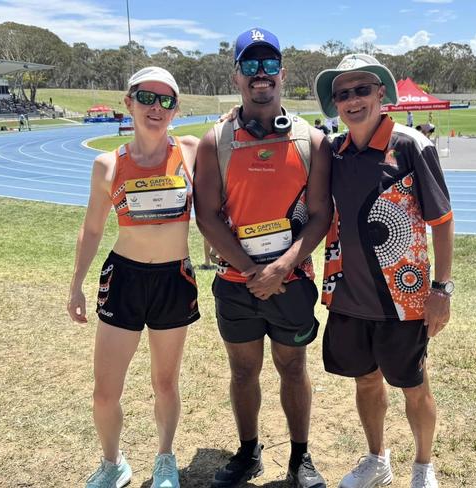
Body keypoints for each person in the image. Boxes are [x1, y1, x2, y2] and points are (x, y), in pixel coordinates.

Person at [195, 27, 331, 488]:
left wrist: (282, 267)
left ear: (282, 73)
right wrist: (252, 270)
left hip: (290, 282)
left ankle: (300, 458)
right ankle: (248, 451)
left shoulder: (311, 141)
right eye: (250, 65)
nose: (260, 74)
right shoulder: (215, 142)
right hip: (237, 285)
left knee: (293, 366)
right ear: (237, 76)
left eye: (268, 64)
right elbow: (208, 216)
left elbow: (320, 215)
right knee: (242, 370)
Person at [314, 53, 454, 488]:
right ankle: (377, 459)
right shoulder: (333, 151)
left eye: (361, 90)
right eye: (343, 94)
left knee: (414, 384)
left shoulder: (412, 146)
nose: (353, 100)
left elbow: (443, 221)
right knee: (366, 381)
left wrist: (442, 289)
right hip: (349, 298)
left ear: (380, 93)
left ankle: (423, 467)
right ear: (335, 103)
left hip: (404, 299)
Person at [67, 66, 200, 488]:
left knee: (165, 382)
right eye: (146, 97)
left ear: (176, 109)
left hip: (173, 280)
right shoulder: (107, 166)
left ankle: (165, 458)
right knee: (105, 392)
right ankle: (113, 463)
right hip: (123, 279)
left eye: (166, 100)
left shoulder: (192, 151)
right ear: (129, 103)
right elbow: (91, 229)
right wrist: (76, 284)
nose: (155, 108)